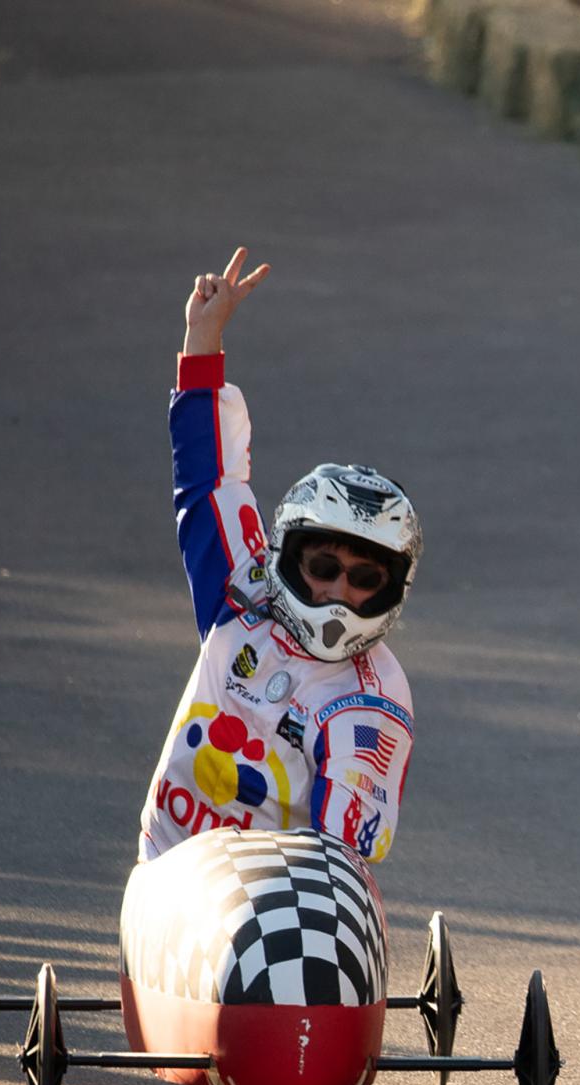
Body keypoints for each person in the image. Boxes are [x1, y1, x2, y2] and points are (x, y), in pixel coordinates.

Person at [141, 248, 420, 867]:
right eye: (324, 568)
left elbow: (342, 860)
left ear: (391, 590)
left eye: (364, 578)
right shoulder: (243, 588)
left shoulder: (372, 703)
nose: (337, 593)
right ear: (288, 556)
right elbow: (210, 483)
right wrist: (203, 339)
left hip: (279, 906)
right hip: (169, 874)